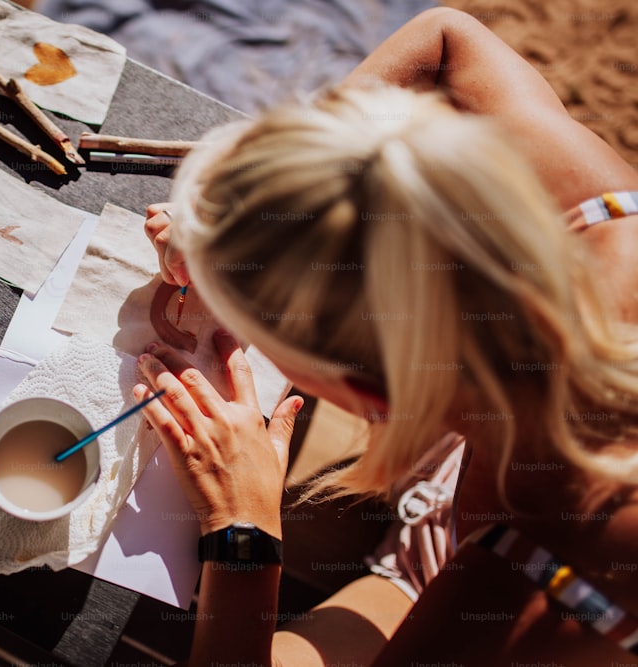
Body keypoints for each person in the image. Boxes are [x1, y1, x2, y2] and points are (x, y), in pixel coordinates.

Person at [135, 7, 638, 665]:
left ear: (371, 401)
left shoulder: (531, 587)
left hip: (454, 578)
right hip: (466, 492)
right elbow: (449, 36)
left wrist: (244, 532)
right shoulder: (604, 218)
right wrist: (264, 206)